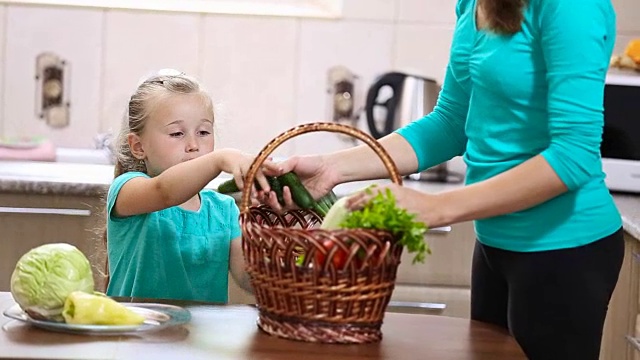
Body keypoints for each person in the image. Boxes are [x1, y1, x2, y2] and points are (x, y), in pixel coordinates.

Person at [262, 0, 624, 358]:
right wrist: (332, 167)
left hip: (565, 250)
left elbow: (573, 155)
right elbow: (451, 123)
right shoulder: (475, 4)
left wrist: (437, 208)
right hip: (495, 248)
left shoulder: (572, 6)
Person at [105, 69, 279, 303]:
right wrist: (220, 159)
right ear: (138, 146)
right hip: (138, 336)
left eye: (204, 132)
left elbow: (251, 279)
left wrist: (270, 230)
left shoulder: (224, 210)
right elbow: (165, 192)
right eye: (177, 133)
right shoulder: (127, 190)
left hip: (200, 339)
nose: (193, 145)